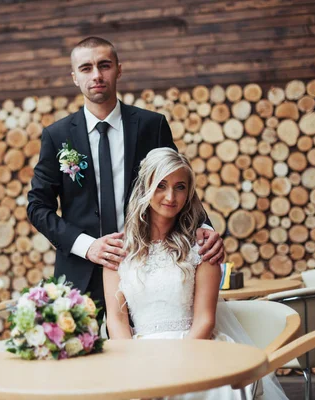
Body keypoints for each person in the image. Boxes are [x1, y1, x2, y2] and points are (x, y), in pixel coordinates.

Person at [27, 36, 224, 311]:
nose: (96, 75)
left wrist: (204, 230)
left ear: (119, 69)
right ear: (74, 77)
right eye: (86, 68)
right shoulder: (57, 136)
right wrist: (87, 246)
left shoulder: (151, 125)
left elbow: (178, 184)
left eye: (104, 65)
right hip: (82, 274)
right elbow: (38, 207)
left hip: (147, 269)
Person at [103, 148, 288, 399]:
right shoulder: (118, 250)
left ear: (189, 193)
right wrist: (134, 366)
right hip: (139, 353)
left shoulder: (202, 247)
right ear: (145, 187)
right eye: (161, 185)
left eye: (180, 187)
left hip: (196, 348)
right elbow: (117, 321)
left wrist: (179, 366)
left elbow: (205, 320)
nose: (170, 196)